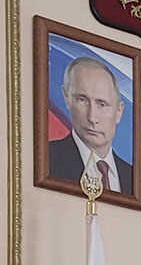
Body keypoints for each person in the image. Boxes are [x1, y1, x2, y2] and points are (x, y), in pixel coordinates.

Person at [46, 55, 133, 194]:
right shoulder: (46, 160)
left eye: (102, 104)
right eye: (82, 100)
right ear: (67, 99)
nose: (92, 117)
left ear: (119, 111)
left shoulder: (134, 179)